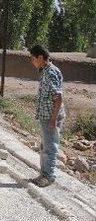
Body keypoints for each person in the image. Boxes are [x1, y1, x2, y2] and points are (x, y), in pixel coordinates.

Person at [29, 45, 65, 187]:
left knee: (50, 147)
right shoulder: (44, 71)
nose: (32, 61)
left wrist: (53, 119)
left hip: (51, 116)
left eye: (33, 58)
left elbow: (58, 97)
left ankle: (48, 176)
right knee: (45, 146)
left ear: (40, 57)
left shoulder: (51, 72)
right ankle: (43, 174)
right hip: (46, 115)